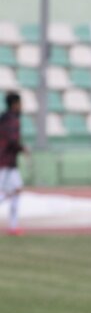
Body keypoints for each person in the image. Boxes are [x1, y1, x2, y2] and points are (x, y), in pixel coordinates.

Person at [1, 91, 28, 235]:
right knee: (6, 192)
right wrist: (22, 148)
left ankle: (13, 226)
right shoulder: (11, 120)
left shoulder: (5, 118)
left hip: (9, 162)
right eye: (20, 103)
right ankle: (13, 225)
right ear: (15, 104)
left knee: (16, 189)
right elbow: (11, 140)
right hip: (4, 161)